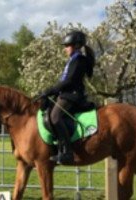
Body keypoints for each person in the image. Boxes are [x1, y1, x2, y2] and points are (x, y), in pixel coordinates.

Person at [41, 30, 95, 164]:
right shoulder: (73, 59)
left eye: (67, 46)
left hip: (72, 95)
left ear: (76, 45)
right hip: (66, 94)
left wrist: (50, 90)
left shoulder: (79, 60)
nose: (65, 49)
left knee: (55, 117)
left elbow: (69, 81)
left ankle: (67, 152)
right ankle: (57, 148)